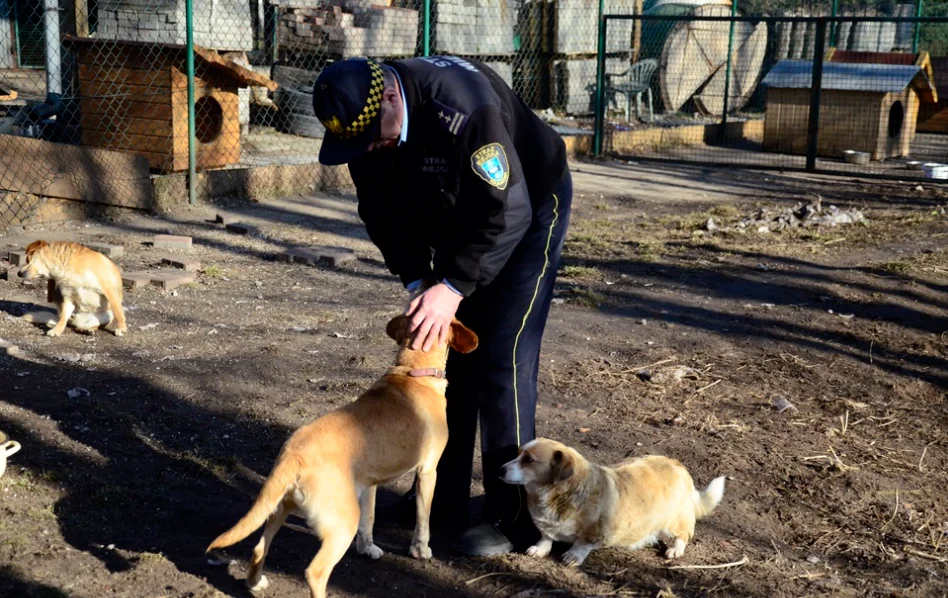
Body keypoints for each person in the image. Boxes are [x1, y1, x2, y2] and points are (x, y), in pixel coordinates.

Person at [312, 55, 572, 557]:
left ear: (390, 97)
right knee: (450, 354)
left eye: (372, 138)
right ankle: (439, 499)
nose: (367, 151)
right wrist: (418, 279)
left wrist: (452, 287)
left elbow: (508, 211)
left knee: (501, 357)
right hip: (460, 217)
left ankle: (513, 515)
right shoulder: (369, 126)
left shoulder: (464, 110)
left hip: (527, 207)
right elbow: (380, 211)